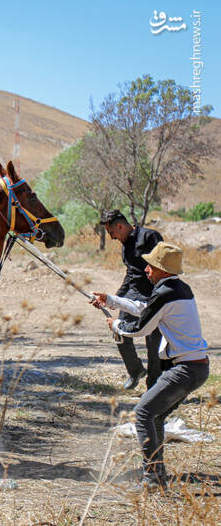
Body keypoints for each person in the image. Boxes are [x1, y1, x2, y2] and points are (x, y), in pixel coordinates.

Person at [91, 242, 209, 489]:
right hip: (196, 368)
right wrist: (111, 300)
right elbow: (146, 309)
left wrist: (116, 326)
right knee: (154, 416)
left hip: (184, 370)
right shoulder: (176, 288)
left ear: (163, 270)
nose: (146, 270)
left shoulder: (165, 293)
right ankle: (157, 476)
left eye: (151, 265)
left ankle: (152, 479)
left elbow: (142, 326)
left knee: (143, 413)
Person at [100, 209, 163, 390]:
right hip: (133, 294)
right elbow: (130, 275)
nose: (112, 237)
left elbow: (163, 265)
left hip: (154, 295)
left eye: (112, 233)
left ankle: (154, 385)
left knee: (154, 342)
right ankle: (135, 370)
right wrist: (115, 298)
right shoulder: (125, 245)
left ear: (120, 226)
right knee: (119, 330)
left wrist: (161, 295)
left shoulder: (150, 237)